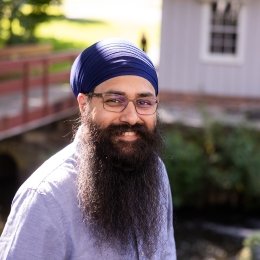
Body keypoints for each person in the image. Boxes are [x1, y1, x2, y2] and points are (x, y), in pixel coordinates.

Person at [0, 39, 176, 259]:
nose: (132, 117)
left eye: (144, 102)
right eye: (114, 100)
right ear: (84, 105)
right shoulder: (45, 200)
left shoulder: (156, 172)